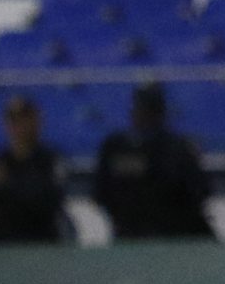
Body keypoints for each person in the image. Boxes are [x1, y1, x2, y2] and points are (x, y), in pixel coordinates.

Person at [92, 82, 215, 240]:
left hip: (173, 235)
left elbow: (198, 190)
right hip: (129, 233)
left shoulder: (177, 148)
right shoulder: (116, 147)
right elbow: (102, 190)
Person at [0, 94, 68, 244]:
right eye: (14, 121)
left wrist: (7, 185)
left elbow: (49, 201)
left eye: (24, 119)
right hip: (2, 244)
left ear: (36, 121)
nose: (19, 126)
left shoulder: (49, 160)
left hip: (40, 244)